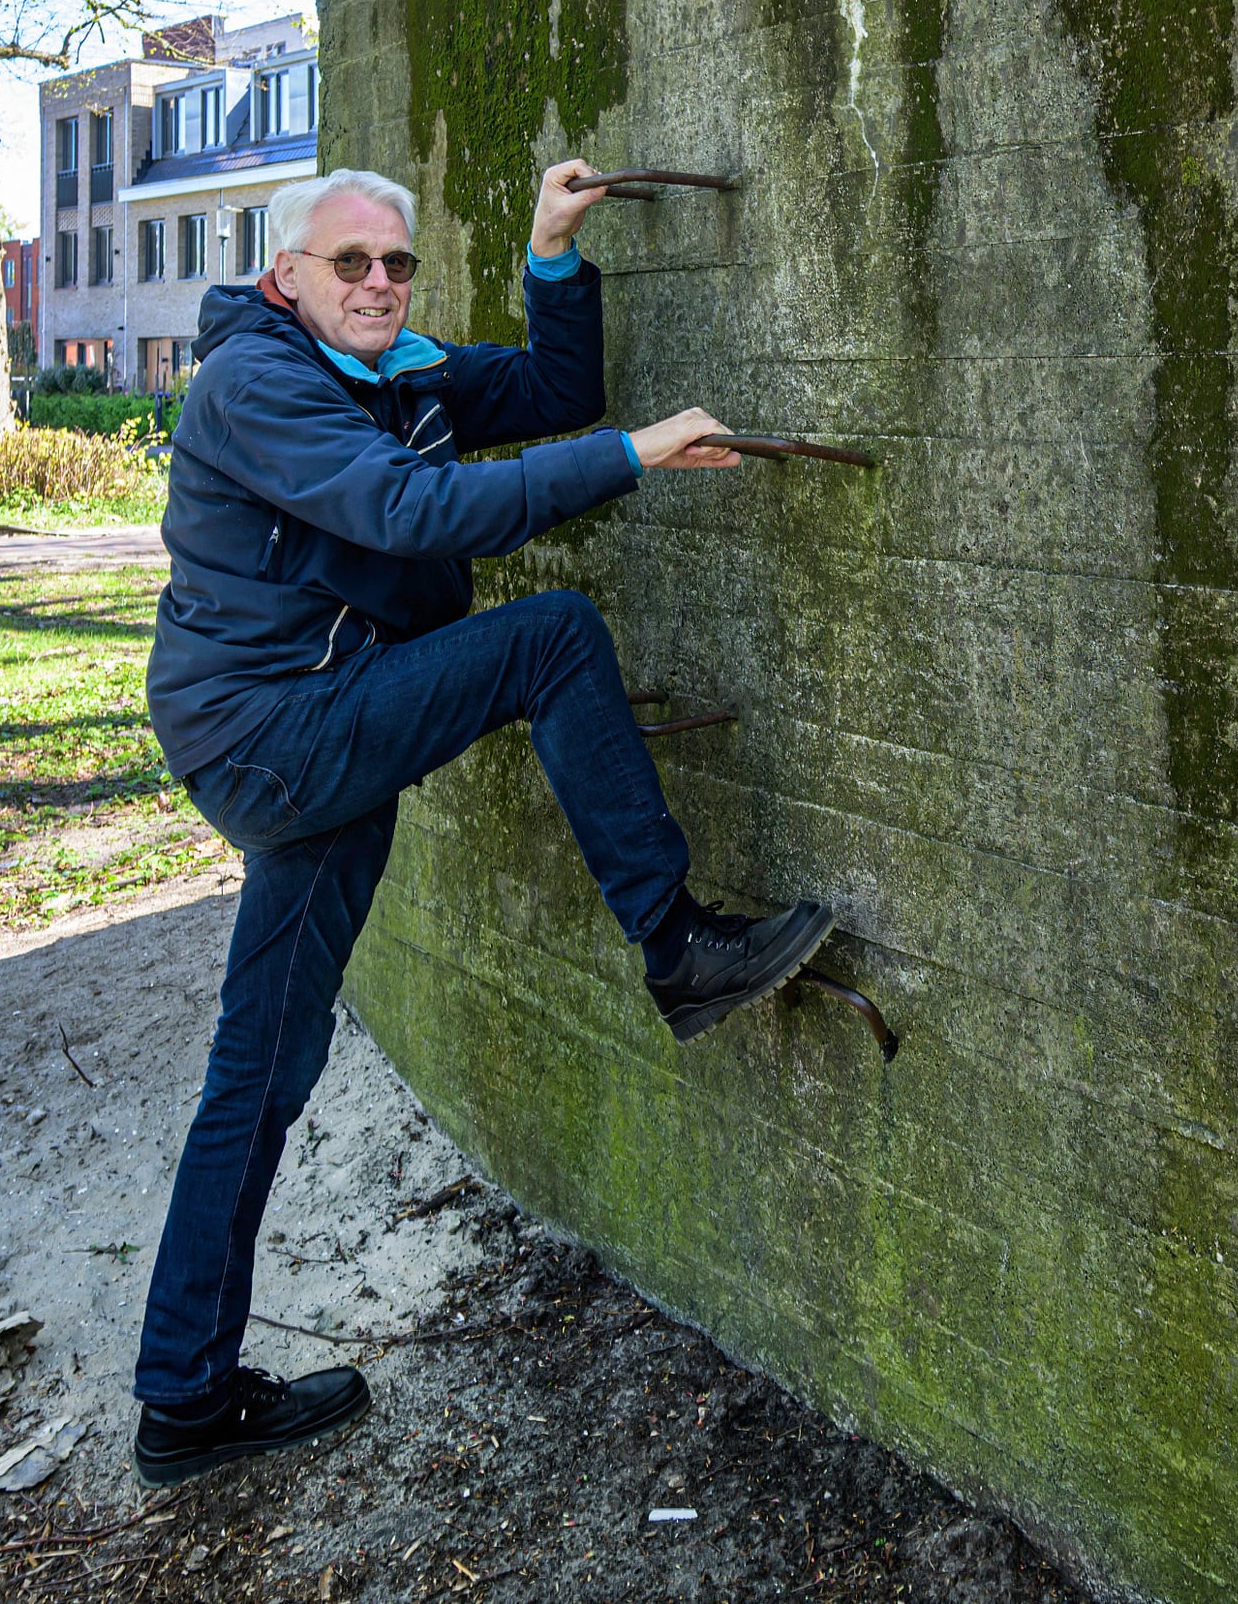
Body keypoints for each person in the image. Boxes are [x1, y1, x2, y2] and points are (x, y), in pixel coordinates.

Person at [126, 161, 834, 1490]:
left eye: (395, 264)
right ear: (289, 277)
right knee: (553, 635)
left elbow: (558, 396)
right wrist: (635, 461)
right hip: (278, 736)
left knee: (259, 1073)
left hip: (325, 723)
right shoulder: (257, 386)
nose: (380, 284)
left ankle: (184, 1397)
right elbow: (410, 511)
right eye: (351, 264)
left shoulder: (399, 366)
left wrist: (552, 254)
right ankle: (674, 940)